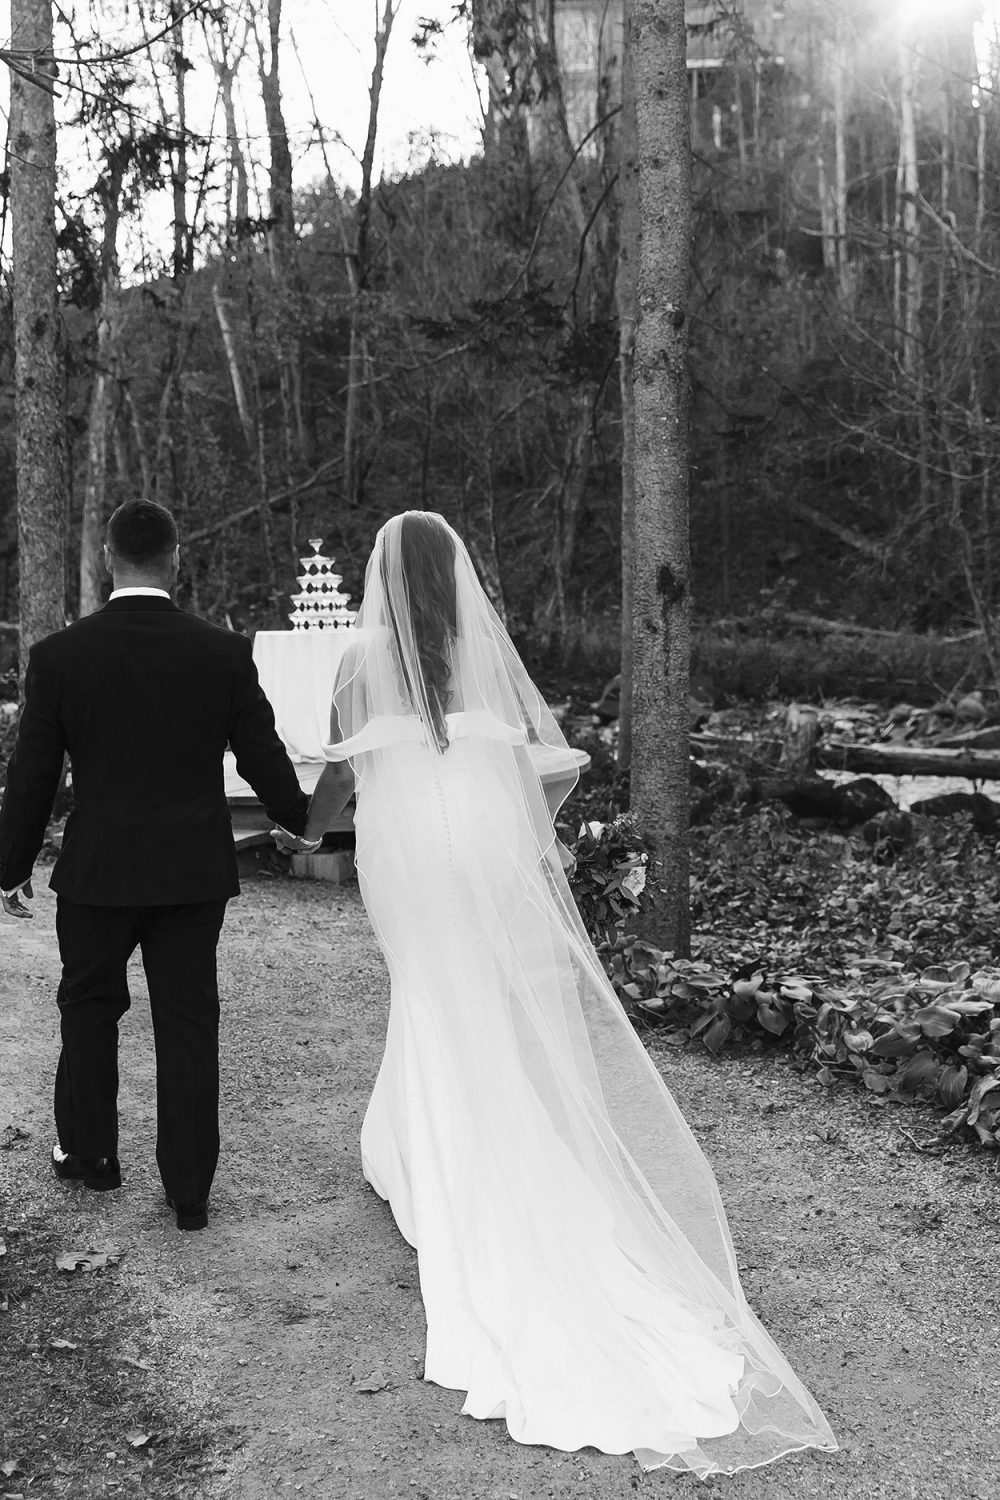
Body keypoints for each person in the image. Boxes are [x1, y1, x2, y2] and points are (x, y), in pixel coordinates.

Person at [280, 510, 838, 1476]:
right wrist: (508, 844)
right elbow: (532, 777)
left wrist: (304, 838)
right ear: (453, 579)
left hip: (407, 858)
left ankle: (443, 1161)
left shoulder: (355, 668)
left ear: (375, 578)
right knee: (470, 1001)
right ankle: (411, 1139)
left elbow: (337, 781)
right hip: (475, 857)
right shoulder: (478, 663)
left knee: (427, 993)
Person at [0, 499, 318, 1230]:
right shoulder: (222, 652)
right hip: (190, 873)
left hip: (98, 872)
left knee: (88, 1007)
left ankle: (91, 1157)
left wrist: (9, 865)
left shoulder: (58, 657)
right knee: (187, 1020)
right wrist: (300, 820)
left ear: (109, 559)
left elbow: (33, 779)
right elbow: (263, 755)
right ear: (175, 560)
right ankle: (189, 1193)